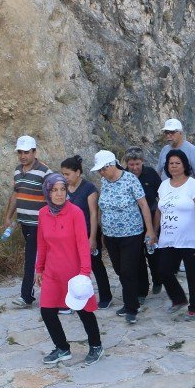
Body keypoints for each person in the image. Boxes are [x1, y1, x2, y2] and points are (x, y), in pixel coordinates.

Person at [35, 173, 104, 365]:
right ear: (47, 192)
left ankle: (96, 346)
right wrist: (39, 269)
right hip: (51, 272)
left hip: (74, 273)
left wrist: (84, 273)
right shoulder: (42, 214)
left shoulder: (75, 212)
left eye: (63, 189)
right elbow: (41, 244)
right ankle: (62, 348)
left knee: (83, 309)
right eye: (54, 190)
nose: (59, 194)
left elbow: (83, 244)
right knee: (47, 310)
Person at [93, 150, 156, 324]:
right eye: (99, 170)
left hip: (131, 234)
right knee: (120, 270)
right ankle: (131, 300)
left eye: (103, 169)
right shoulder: (104, 181)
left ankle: (131, 307)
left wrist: (149, 230)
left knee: (128, 270)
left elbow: (143, 205)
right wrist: (103, 230)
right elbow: (102, 207)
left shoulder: (130, 180)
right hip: (111, 235)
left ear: (111, 165)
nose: (100, 172)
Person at [155, 150, 195, 318]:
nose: (174, 166)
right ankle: (178, 298)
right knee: (163, 271)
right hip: (168, 238)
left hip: (189, 238)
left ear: (184, 165)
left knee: (193, 275)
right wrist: (154, 231)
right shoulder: (163, 186)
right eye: (171, 163)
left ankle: (194, 307)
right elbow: (159, 211)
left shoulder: (193, 185)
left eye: (177, 163)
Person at [61, 155, 112, 310]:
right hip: (70, 236)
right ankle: (73, 298)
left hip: (88, 233)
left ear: (77, 172)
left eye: (67, 174)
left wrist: (92, 238)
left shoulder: (89, 188)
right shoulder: (63, 189)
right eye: (62, 174)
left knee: (95, 266)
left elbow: (94, 214)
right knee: (71, 267)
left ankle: (106, 296)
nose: (65, 177)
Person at [4, 135, 50, 308]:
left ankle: (26, 296)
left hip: (39, 224)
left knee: (32, 258)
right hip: (24, 223)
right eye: (20, 152)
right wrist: (8, 216)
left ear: (34, 152)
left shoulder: (45, 172)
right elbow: (16, 194)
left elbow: (54, 197)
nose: (23, 156)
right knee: (37, 258)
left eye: (26, 152)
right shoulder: (17, 171)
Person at [124, 147, 162, 298]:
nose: (134, 168)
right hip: (132, 222)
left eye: (137, 164)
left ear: (142, 162)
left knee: (153, 254)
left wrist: (154, 226)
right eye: (131, 164)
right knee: (137, 257)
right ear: (126, 163)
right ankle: (142, 290)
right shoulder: (123, 175)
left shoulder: (151, 174)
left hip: (151, 218)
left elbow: (161, 196)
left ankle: (158, 280)